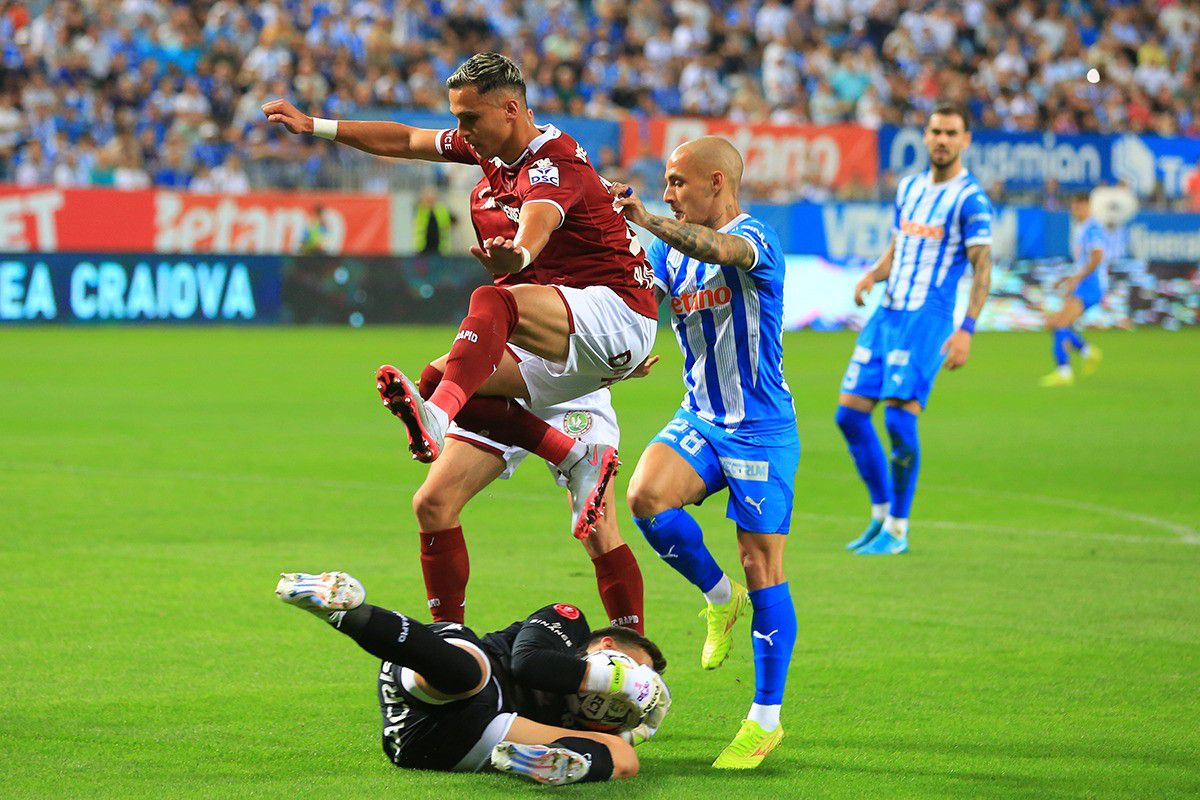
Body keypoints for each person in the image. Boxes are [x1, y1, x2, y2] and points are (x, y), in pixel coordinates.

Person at [263, 53, 658, 540]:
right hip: (569, 324)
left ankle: (438, 419)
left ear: (510, 110)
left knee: (493, 302)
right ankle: (573, 455)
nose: (461, 129)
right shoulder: (489, 147)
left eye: (469, 118)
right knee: (438, 380)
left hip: (617, 311)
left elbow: (539, 222)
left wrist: (519, 254)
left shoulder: (552, 163)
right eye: (456, 117)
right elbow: (407, 140)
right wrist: (314, 126)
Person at [611, 136, 799, 770]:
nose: (668, 194)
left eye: (678, 182)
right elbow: (635, 298)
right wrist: (624, 346)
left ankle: (764, 720)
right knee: (645, 497)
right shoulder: (669, 252)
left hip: (760, 430)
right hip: (701, 416)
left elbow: (718, 251)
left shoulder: (754, 238)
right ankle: (721, 599)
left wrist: (647, 220)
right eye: (665, 183)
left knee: (761, 563)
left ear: (717, 182)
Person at [411, 176, 646, 633]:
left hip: (569, 372)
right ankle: (450, 641)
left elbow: (622, 268)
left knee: (599, 532)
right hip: (510, 365)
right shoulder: (481, 196)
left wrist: (616, 351)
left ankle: (634, 655)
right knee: (433, 503)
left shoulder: (572, 178)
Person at [274, 571, 669, 786]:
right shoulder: (567, 622)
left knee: (625, 759)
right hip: (430, 681)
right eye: (640, 668)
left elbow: (621, 752)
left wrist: (625, 731)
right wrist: (616, 681)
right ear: (605, 644)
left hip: (465, 742)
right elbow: (528, 665)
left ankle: (560, 763)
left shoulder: (595, 720)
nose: (637, 681)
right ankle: (349, 613)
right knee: (471, 674)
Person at [835, 103, 994, 556]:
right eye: (936, 131)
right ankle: (881, 514)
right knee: (849, 415)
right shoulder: (908, 188)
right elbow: (899, 245)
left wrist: (967, 329)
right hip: (888, 312)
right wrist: (873, 275)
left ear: (965, 140)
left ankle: (899, 529)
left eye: (951, 133)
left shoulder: (970, 199)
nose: (942, 140)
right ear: (925, 136)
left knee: (898, 420)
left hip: (928, 318)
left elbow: (983, 266)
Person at [1039, 193, 1106, 387]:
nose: (1076, 211)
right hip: (1083, 283)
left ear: (1088, 207)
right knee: (1054, 323)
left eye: (1079, 207)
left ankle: (1064, 372)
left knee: (1060, 323)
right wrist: (1066, 278)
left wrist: (1077, 278)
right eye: (1074, 207)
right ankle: (1088, 352)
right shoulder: (1080, 228)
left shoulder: (1092, 228)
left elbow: (1097, 257)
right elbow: (1082, 262)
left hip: (1091, 284)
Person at [413, 186, 456, 255]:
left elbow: (454, 220)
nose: (430, 198)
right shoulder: (420, 209)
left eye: (432, 196)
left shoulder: (442, 209)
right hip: (422, 248)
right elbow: (416, 203)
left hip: (440, 248)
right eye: (427, 196)